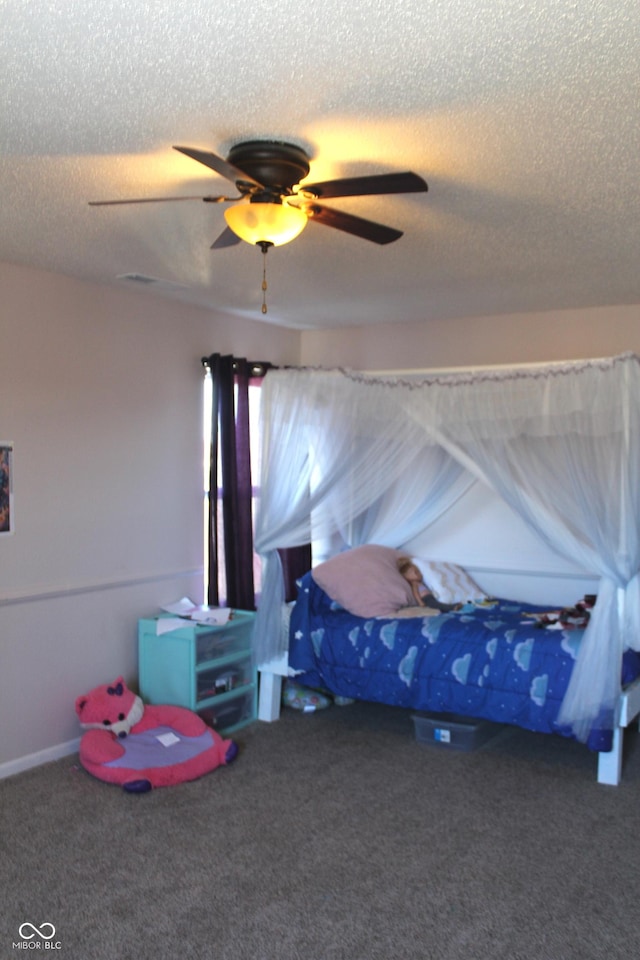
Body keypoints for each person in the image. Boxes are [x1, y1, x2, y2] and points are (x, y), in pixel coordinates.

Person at [396, 557, 461, 612]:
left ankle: (452, 607)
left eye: (418, 571)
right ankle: (452, 607)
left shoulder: (420, 583)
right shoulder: (414, 584)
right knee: (437, 605)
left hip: (430, 597)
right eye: (416, 572)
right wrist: (420, 602)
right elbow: (416, 594)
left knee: (437, 604)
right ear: (408, 576)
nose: (419, 574)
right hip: (425, 599)